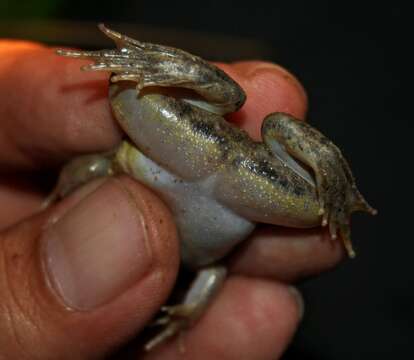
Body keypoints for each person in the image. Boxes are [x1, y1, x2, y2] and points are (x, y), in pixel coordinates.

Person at [0, 39, 344, 359]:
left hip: (180, 145)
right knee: (257, 116)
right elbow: (212, 274)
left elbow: (87, 168)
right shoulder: (203, 266)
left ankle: (333, 176)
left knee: (220, 98)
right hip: (246, 178)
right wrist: (184, 317)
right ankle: (332, 174)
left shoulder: (202, 268)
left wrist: (61, 194)